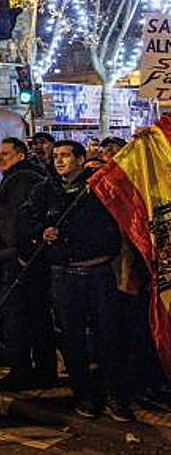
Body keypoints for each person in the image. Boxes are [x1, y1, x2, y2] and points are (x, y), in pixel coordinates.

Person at [26, 140, 134, 421]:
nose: (59, 161)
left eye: (65, 156)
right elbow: (27, 221)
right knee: (72, 337)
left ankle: (114, 394)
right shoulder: (44, 190)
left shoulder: (98, 189)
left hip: (98, 273)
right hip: (64, 274)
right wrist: (42, 231)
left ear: (81, 158)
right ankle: (84, 394)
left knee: (108, 335)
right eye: (56, 156)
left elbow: (117, 225)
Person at [0, 137, 55, 391]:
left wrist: (17, 253)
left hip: (20, 261)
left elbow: (19, 221)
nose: (0, 157)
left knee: (20, 317)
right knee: (34, 316)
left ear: (21, 155)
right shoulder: (23, 177)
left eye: (6, 153)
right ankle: (42, 369)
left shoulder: (23, 179)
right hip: (19, 258)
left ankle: (22, 371)